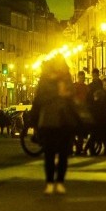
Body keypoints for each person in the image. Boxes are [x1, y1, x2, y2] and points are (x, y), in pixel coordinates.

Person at [31, 56, 77, 195]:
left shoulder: (65, 80)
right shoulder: (46, 80)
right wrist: (58, 94)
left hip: (63, 120)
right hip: (50, 120)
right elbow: (39, 99)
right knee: (50, 154)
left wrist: (67, 94)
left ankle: (59, 181)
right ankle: (51, 182)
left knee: (62, 154)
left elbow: (72, 99)